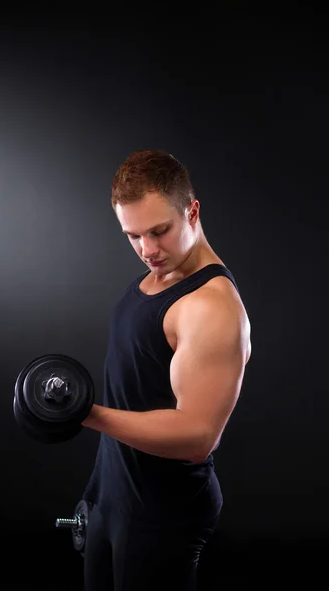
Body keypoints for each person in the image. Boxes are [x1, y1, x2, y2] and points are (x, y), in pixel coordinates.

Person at [80, 149, 252, 591]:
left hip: (162, 510)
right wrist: (100, 489)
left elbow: (197, 437)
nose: (147, 250)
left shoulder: (211, 307)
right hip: (114, 491)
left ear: (192, 212)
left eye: (160, 231)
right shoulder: (159, 273)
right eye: (133, 236)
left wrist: (86, 414)